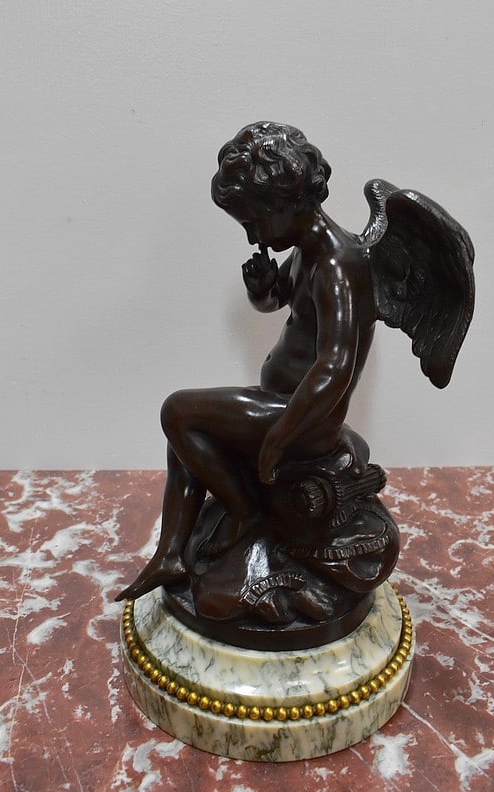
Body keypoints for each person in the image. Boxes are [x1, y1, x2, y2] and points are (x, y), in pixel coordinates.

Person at [116, 121, 380, 602]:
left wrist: (280, 437)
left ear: (285, 203)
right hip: (279, 404)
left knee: (178, 411)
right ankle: (171, 553)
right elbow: (283, 304)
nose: (251, 235)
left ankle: (244, 510)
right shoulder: (307, 251)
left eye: (253, 223)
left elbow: (335, 366)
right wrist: (263, 291)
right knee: (185, 441)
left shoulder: (339, 263)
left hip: (304, 421)